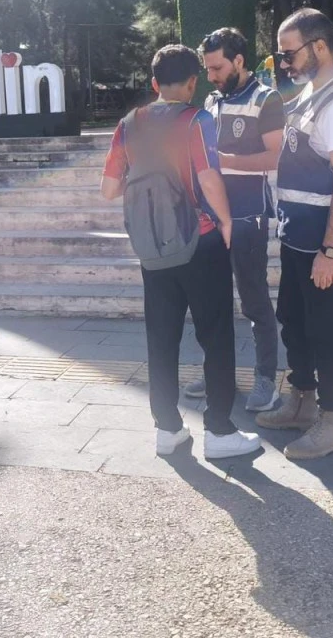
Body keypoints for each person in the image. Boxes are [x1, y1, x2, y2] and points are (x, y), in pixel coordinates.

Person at [101, 45, 262, 460]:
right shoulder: (197, 120)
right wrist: (226, 222)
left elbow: (109, 188)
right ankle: (220, 431)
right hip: (200, 241)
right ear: (193, 83)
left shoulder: (129, 124)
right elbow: (208, 178)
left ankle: (168, 429)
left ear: (154, 83)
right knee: (216, 336)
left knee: (161, 338)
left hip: (153, 248)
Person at [255, 8, 333, 460]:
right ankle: (301, 400)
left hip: (322, 242)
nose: (284, 63)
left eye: (289, 53)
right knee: (294, 320)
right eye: (281, 55)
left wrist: (331, 251)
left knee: (324, 330)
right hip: (297, 235)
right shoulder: (309, 94)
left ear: (319, 46)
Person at [181, 27, 284, 412]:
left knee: (254, 301)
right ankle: (217, 375)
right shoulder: (213, 99)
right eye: (207, 69)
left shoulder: (266, 98)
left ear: (239, 60)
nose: (211, 76)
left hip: (247, 217)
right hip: (211, 218)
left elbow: (275, 157)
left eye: (217, 68)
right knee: (211, 301)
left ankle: (265, 380)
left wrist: (222, 162)